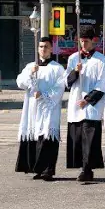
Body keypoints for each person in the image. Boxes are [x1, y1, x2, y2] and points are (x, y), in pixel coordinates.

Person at [15, 37, 65, 181]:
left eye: (46, 47)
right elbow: (20, 82)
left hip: (49, 108)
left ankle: (48, 170)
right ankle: (37, 169)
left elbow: (60, 87)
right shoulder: (31, 66)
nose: (43, 49)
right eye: (41, 46)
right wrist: (31, 73)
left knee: (47, 137)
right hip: (33, 108)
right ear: (38, 49)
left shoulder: (57, 68)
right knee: (34, 137)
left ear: (51, 49)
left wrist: (43, 94)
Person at [65, 26, 105, 182]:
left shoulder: (101, 59)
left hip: (91, 106)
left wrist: (87, 99)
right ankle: (81, 166)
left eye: (86, 42)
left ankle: (87, 169)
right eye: (81, 42)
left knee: (90, 139)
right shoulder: (73, 58)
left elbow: (102, 83)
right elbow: (67, 82)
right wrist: (75, 72)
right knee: (78, 138)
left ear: (93, 41)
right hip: (76, 104)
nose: (83, 45)